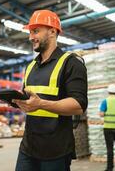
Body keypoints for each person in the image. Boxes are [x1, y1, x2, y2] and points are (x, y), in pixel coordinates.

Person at [12, 9, 88, 171]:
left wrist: (41, 104)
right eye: (31, 32)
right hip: (28, 147)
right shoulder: (31, 66)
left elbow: (78, 105)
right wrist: (17, 101)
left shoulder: (71, 63)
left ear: (52, 32)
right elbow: (29, 100)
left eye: (36, 31)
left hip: (56, 150)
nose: (31, 37)